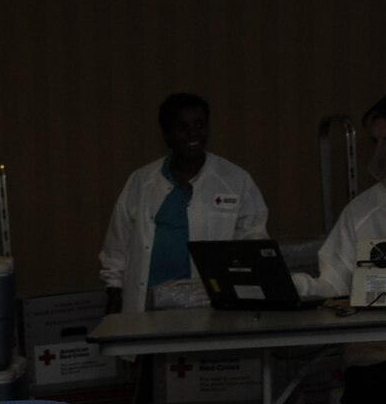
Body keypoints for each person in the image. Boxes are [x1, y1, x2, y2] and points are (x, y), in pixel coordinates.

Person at [294, 91, 386, 404]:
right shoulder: (363, 212)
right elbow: (333, 280)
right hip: (382, 353)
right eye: (374, 142)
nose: (381, 153)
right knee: (369, 386)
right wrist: (287, 287)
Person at [101, 92, 269, 314]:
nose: (193, 134)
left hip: (208, 305)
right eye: (182, 127)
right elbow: (117, 245)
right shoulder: (141, 182)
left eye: (200, 125)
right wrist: (114, 293)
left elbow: (253, 241)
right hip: (146, 307)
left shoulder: (235, 180)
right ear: (167, 136)